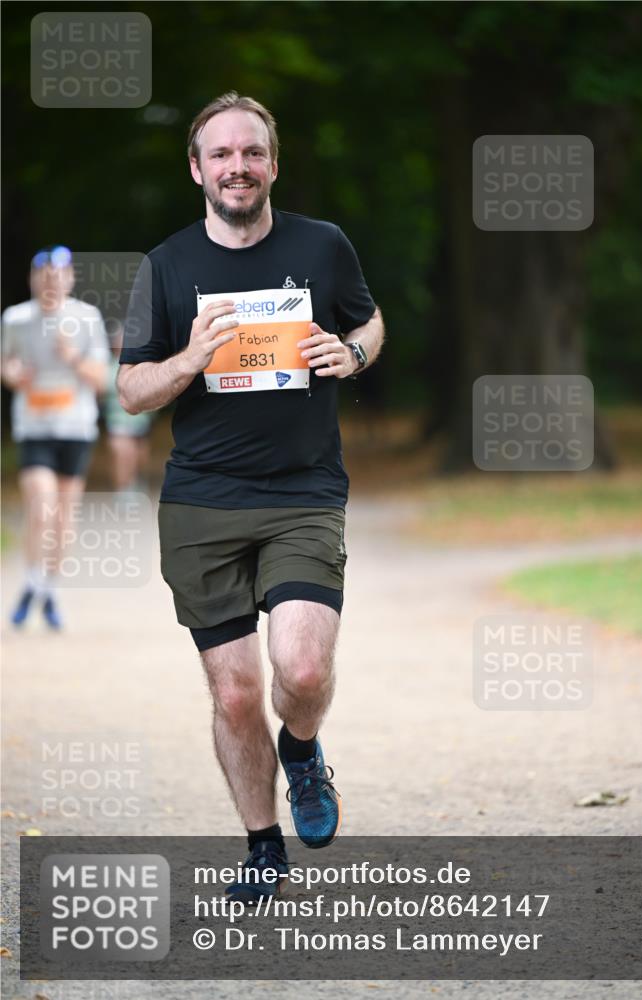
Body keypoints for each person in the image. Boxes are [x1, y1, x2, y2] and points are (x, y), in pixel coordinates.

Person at [117, 92, 384, 899]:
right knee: (234, 692)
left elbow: (369, 323)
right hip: (202, 500)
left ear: (273, 162)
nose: (239, 166)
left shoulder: (322, 245)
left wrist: (352, 354)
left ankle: (301, 752)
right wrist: (188, 361)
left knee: (300, 670)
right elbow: (131, 389)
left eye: (252, 152)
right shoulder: (164, 267)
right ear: (196, 168)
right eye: (222, 154)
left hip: (304, 490)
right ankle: (262, 846)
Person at [2, 246, 109, 630]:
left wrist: (72, 358)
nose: (49, 283)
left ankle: (46, 589)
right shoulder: (15, 319)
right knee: (41, 506)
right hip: (34, 426)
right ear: (32, 280)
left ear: (69, 279)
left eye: (57, 276)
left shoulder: (86, 317)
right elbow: (6, 363)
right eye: (42, 276)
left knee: (63, 516)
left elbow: (101, 379)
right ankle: (33, 579)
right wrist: (14, 373)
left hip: (75, 427)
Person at [104, 327, 153, 496]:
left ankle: (133, 483)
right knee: (123, 455)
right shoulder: (108, 366)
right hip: (118, 421)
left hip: (141, 421)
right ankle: (122, 490)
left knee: (139, 457)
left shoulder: (140, 363)